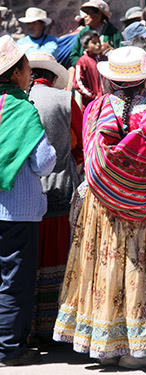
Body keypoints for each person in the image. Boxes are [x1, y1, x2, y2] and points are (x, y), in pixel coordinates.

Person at [53, 46, 146, 369]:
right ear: (144, 80)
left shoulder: (96, 109)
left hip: (104, 210)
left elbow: (91, 157)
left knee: (108, 269)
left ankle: (107, 345)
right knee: (141, 271)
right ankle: (137, 348)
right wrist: (143, 190)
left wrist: (113, 187)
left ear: (110, 80)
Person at [0, 35, 56, 366]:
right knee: (15, 281)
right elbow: (43, 162)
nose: (30, 75)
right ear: (17, 73)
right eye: (27, 69)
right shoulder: (23, 109)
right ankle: (8, 348)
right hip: (17, 210)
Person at [26, 52, 82, 348]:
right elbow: (83, 140)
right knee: (59, 252)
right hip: (61, 184)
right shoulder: (64, 100)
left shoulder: (16, 102)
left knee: (27, 257)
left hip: (23, 190)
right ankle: (56, 323)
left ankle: (27, 323)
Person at [69, 0, 123, 67]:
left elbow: (122, 55)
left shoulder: (113, 33)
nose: (85, 16)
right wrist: (84, 65)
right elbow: (74, 55)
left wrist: (110, 51)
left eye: (89, 13)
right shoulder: (83, 32)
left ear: (99, 14)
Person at [73, 30, 107, 112]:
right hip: (91, 103)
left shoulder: (104, 59)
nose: (98, 45)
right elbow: (78, 83)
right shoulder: (82, 62)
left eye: (99, 42)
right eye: (94, 43)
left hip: (106, 101)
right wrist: (93, 96)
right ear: (85, 47)